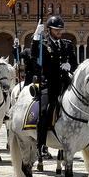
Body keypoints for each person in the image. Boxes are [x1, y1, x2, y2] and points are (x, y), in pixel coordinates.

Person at [31, 15, 77, 156]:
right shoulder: (43, 45)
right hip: (49, 83)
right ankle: (41, 144)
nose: (59, 32)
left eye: (60, 30)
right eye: (56, 30)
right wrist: (35, 38)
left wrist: (70, 65)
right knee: (45, 110)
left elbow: (75, 63)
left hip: (66, 82)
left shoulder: (67, 44)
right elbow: (34, 56)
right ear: (49, 30)